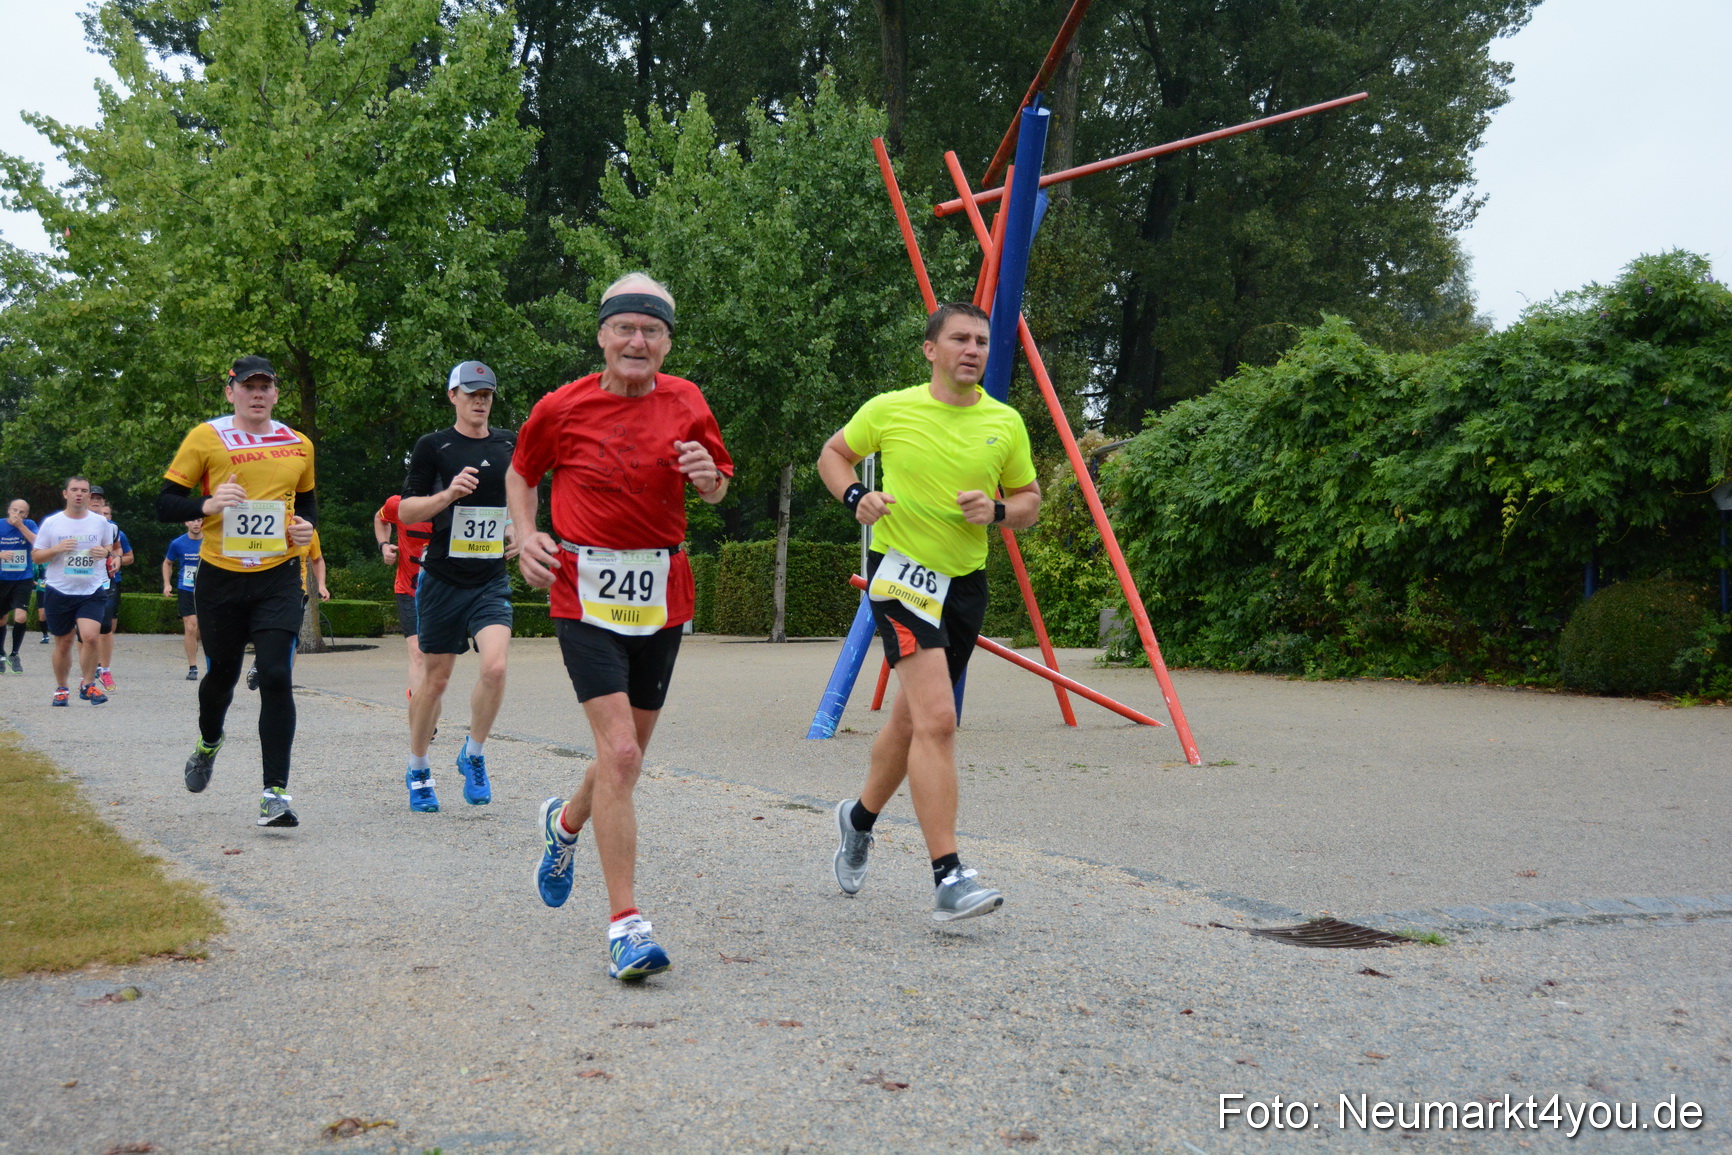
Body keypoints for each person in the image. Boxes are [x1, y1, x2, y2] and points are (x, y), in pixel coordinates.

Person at [511, 273, 731, 981]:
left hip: (660, 592)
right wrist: (525, 537)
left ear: (667, 342)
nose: (638, 340)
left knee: (622, 758)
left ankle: (566, 822)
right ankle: (626, 926)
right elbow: (521, 472)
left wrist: (707, 476)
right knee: (624, 756)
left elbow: (719, 480)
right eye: (625, 327)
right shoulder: (562, 406)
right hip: (583, 592)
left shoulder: (687, 400)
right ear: (603, 333)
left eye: (653, 330)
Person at [816, 302, 1041, 922]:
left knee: (912, 723)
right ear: (930, 350)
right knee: (940, 720)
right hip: (902, 580)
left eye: (982, 341)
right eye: (961, 339)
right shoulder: (889, 409)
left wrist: (996, 513)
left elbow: (1030, 501)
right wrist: (856, 495)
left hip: (965, 586)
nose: (973, 349)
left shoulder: (1005, 423)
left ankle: (857, 820)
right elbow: (831, 455)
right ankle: (948, 876)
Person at [156, 355, 317, 829]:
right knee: (221, 678)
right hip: (221, 576)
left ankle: (275, 793)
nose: (258, 394)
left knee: (274, 675)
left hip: (279, 575)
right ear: (231, 392)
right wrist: (208, 503)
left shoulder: (299, 443)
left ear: (276, 393)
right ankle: (208, 743)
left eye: (266, 386)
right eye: (248, 386)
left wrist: (307, 529)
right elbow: (163, 503)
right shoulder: (207, 437)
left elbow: (305, 502)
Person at [398, 361, 517, 813]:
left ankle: (473, 754)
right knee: (436, 680)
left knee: (496, 667)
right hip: (443, 579)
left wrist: (518, 531)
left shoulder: (509, 443)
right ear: (453, 396)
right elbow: (407, 512)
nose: (480, 400)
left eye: (486, 392)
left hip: (490, 579)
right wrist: (447, 495)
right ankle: (418, 767)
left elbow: (523, 495)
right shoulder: (434, 446)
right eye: (471, 392)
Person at [31, 477, 119, 706]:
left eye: (84, 491)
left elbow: (109, 548)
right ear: (65, 494)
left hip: (91, 589)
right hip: (59, 590)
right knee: (64, 642)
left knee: (90, 637)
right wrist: (57, 549)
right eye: (75, 490)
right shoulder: (52, 523)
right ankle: (61, 688)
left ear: (90, 496)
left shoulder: (101, 523)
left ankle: (88, 684)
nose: (79, 494)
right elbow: (37, 556)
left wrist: (104, 552)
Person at [373, 494, 432, 699]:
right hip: (409, 590)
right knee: (418, 652)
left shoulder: (454, 505)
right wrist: (384, 545)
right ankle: (421, 713)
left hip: (443, 591)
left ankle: (422, 697)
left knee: (436, 658)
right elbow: (380, 518)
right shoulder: (398, 504)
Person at [88, 488, 134, 691]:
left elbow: (122, 553)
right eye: (92, 498)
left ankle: (104, 669)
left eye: (99, 499)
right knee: (84, 631)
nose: (96, 502)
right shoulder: (71, 523)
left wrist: (114, 558)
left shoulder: (114, 529)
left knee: (106, 627)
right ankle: (87, 672)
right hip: (80, 582)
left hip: (106, 581)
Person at [162, 518, 204, 679]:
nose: (196, 524)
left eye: (199, 520)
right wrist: (167, 584)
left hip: (206, 590)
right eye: (192, 520)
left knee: (201, 630)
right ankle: (192, 667)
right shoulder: (178, 543)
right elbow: (167, 563)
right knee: (191, 626)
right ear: (186, 523)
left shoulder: (210, 542)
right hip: (186, 589)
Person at [0, 498, 38, 673]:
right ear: (8, 510)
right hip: (2, 578)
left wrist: (21, 526)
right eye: (14, 510)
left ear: (26, 514)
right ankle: (1, 654)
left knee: (21, 617)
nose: (17, 514)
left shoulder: (29, 525)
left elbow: (38, 543)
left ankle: (14, 654)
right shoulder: (0, 525)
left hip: (23, 577)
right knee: (1, 619)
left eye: (22, 512)